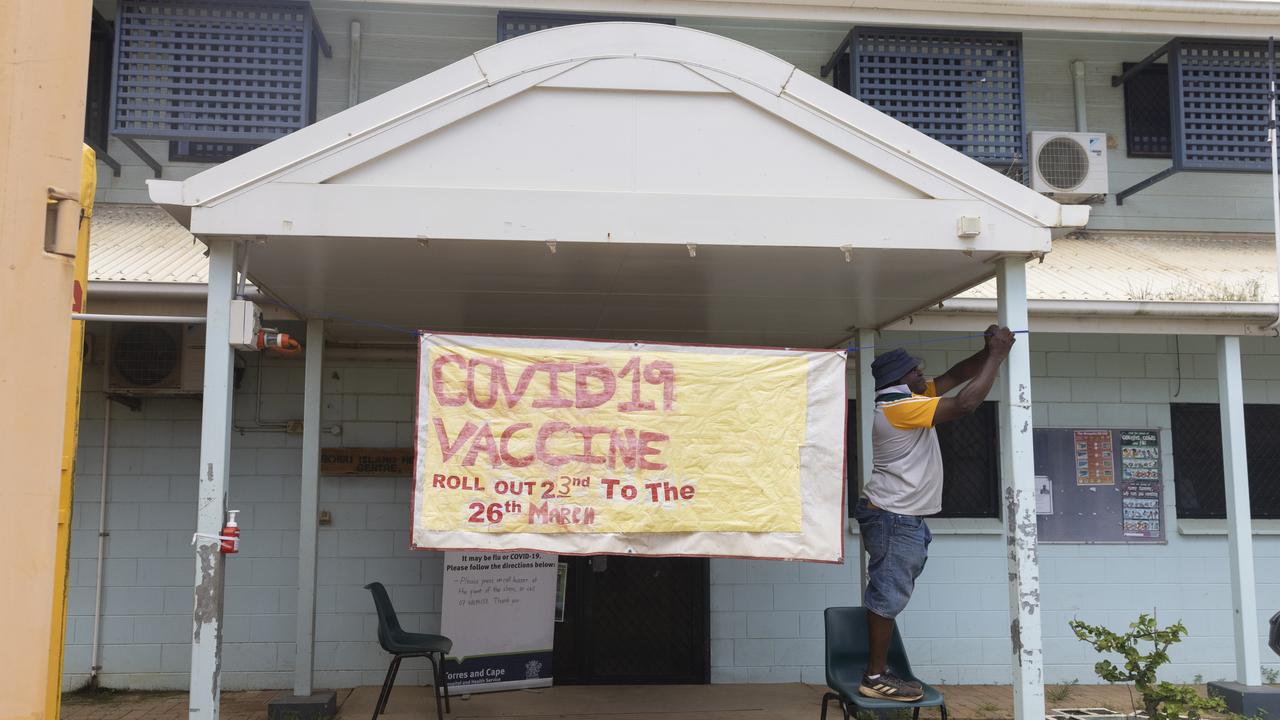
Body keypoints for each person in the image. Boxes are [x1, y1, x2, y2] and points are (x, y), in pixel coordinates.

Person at [854, 325, 1015, 701]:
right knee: (887, 594)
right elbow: (966, 403)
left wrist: (988, 349)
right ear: (899, 379)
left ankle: (878, 672)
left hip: (898, 515)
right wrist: (997, 357)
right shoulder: (901, 408)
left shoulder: (908, 398)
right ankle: (874, 677)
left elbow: (957, 375)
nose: (923, 376)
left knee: (890, 590)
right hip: (893, 516)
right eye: (915, 371)